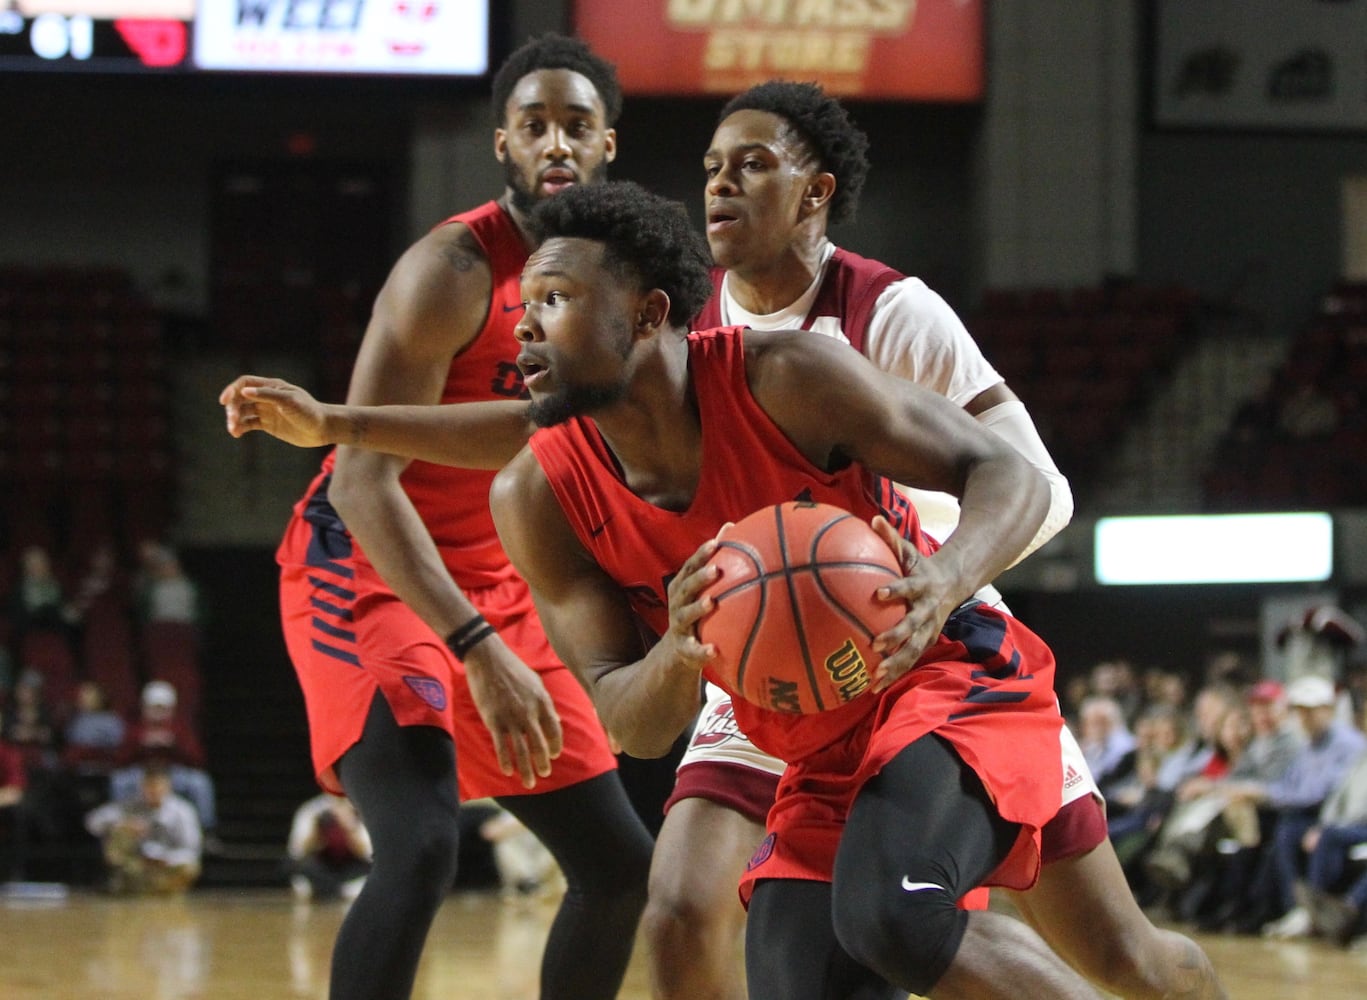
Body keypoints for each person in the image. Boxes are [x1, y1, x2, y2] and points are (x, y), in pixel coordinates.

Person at [219, 86, 1225, 998]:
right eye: (522, 310)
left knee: (941, 928)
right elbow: (628, 714)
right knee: (739, 941)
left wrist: (935, 579)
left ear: (648, 314)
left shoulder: (819, 352)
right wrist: (678, 650)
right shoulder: (544, 483)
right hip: (780, 694)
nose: (522, 334)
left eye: (552, 305)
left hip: (933, 659)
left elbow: (1017, 476)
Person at [242, 33, 652, 1000]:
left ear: (608, 147)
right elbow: (360, 482)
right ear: (504, 147)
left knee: (620, 867)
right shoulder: (452, 272)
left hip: (496, 578)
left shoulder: (617, 282)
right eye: (534, 124)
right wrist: (474, 644)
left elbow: (551, 433)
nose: (556, 141)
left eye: (577, 125)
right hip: (369, 565)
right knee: (422, 845)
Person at [84, 762, 202, 895]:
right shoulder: (131, 806)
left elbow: (191, 850)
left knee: (189, 868)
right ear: (142, 787)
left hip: (167, 865)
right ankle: (134, 886)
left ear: (168, 787)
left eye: (158, 787)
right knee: (120, 833)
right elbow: (92, 822)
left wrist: (166, 859)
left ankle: (152, 890)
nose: (154, 791)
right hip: (138, 865)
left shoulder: (183, 811)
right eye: (149, 787)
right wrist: (123, 824)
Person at [286, 792, 373, 902]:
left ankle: (337, 890)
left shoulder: (361, 810)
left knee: (369, 874)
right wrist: (317, 832)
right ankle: (331, 889)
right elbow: (297, 852)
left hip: (351, 868)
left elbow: (368, 855)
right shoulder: (312, 811)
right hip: (323, 868)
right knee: (299, 870)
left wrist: (349, 826)